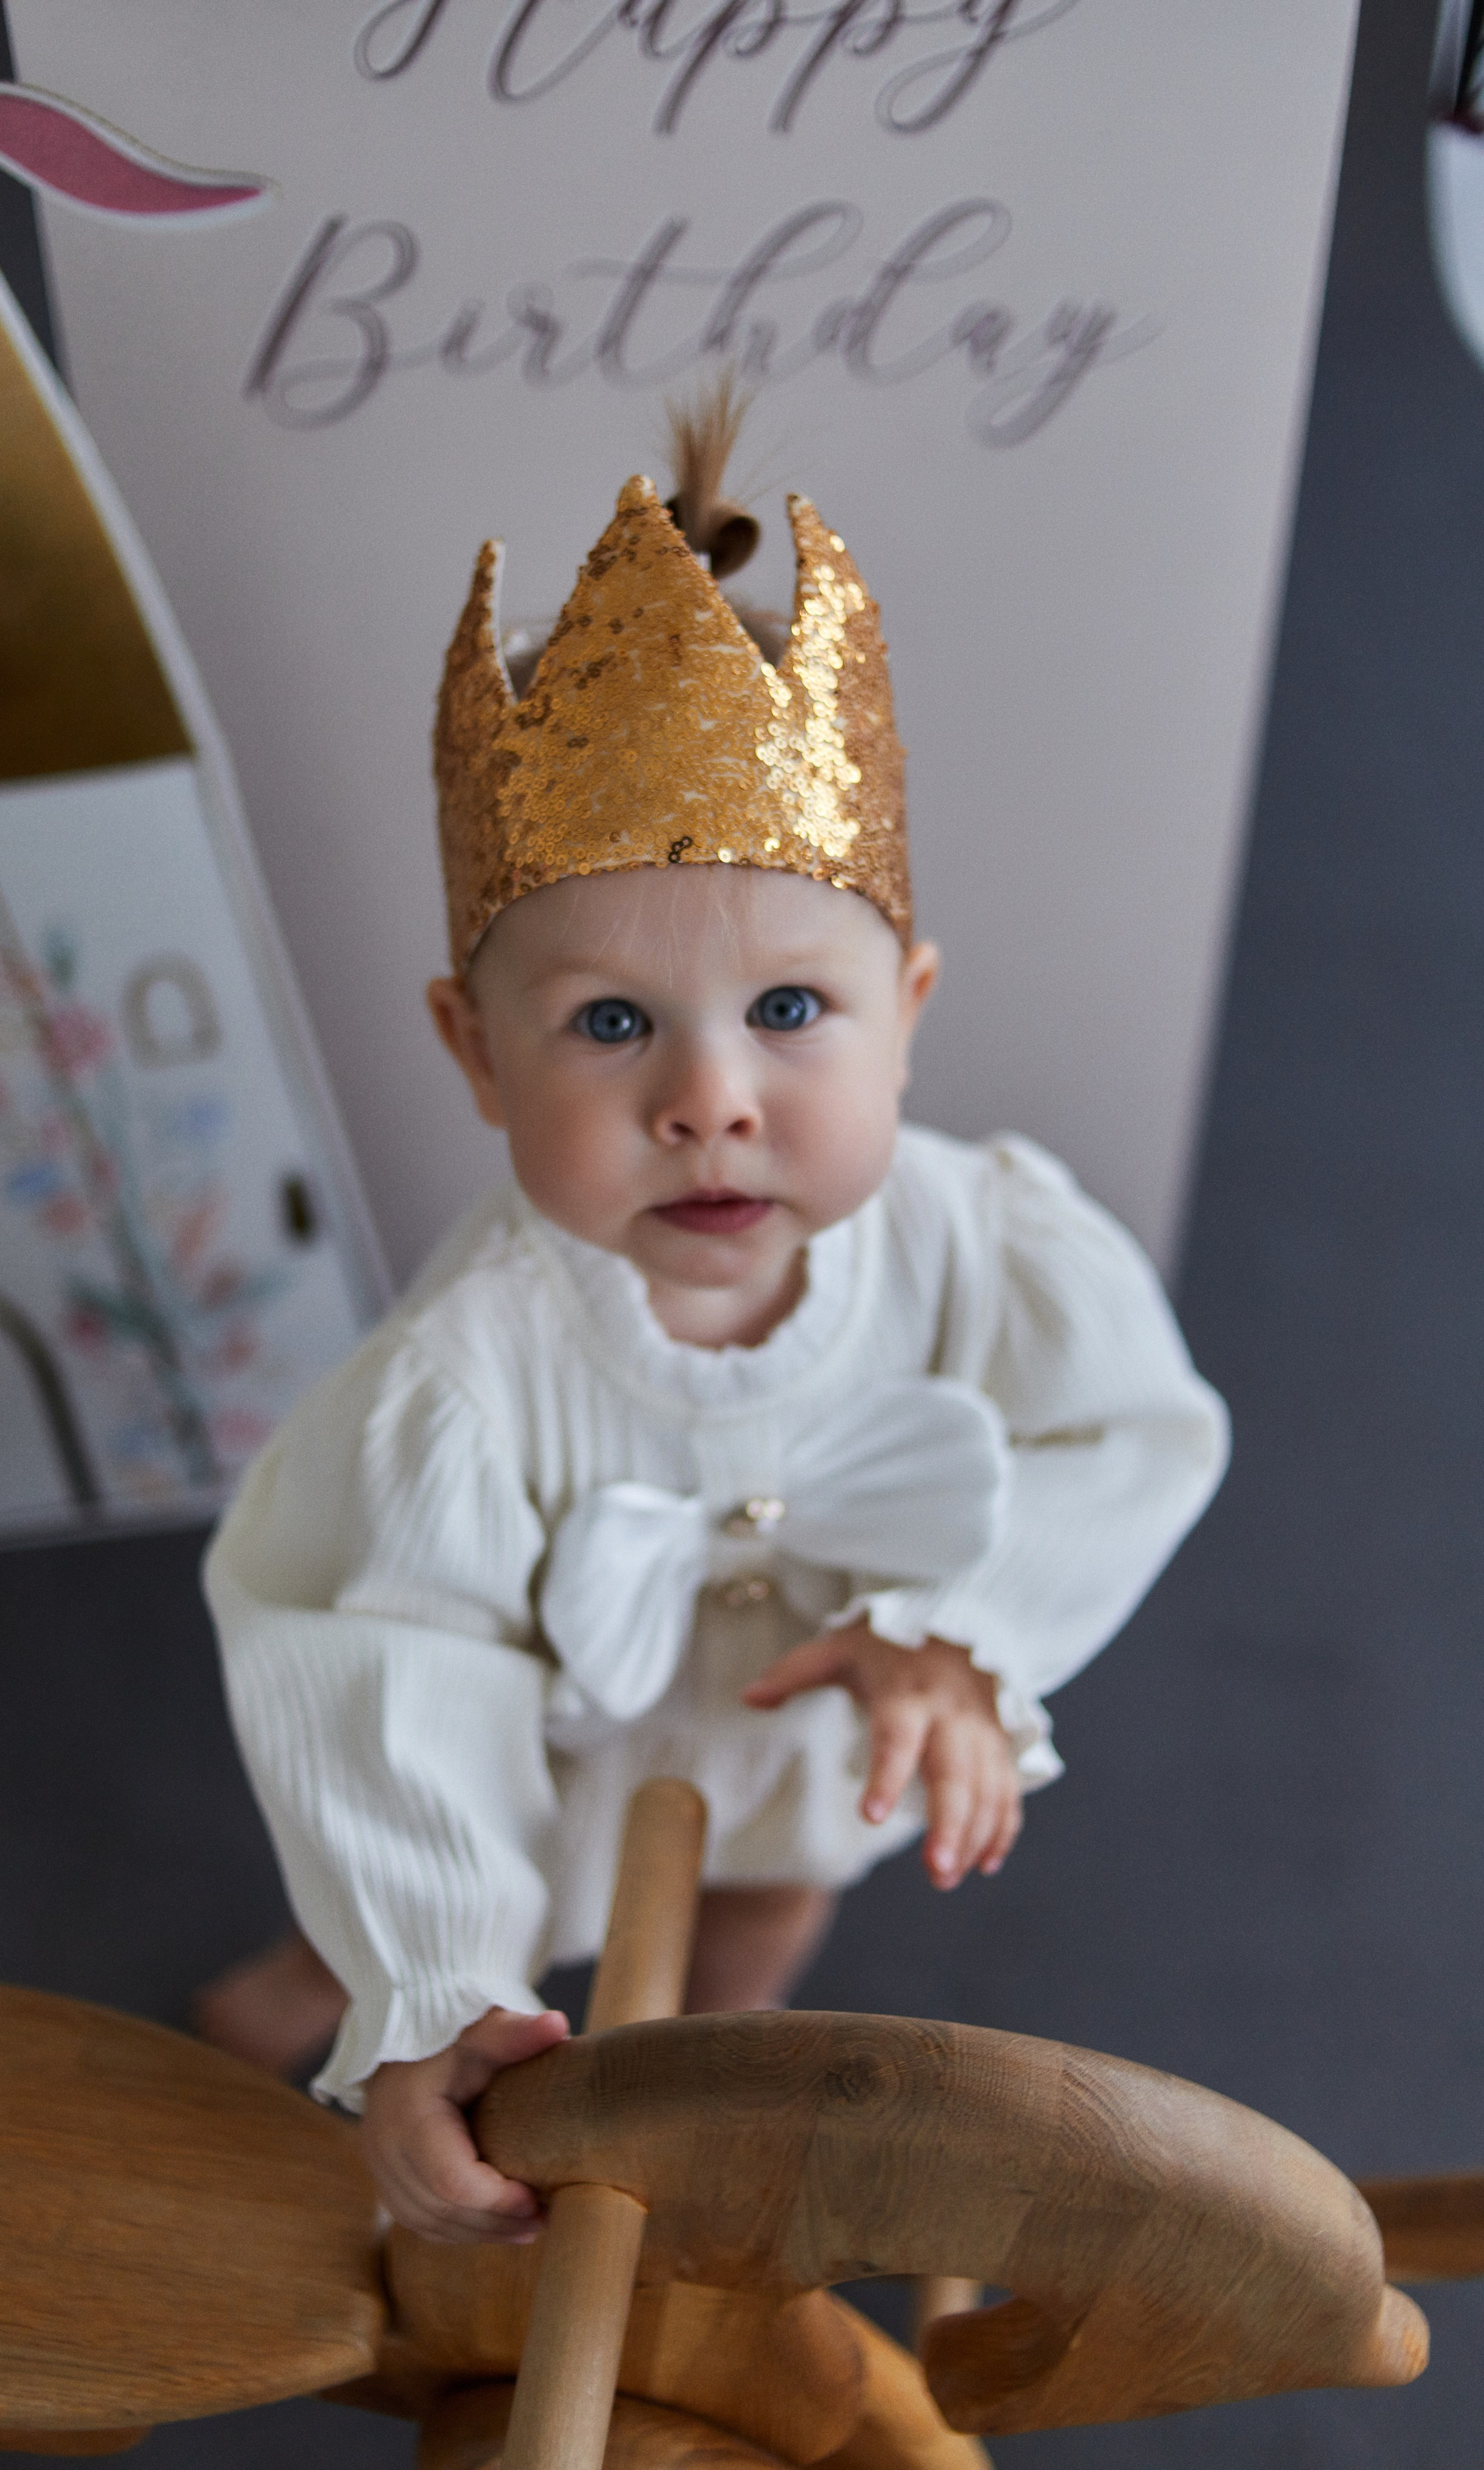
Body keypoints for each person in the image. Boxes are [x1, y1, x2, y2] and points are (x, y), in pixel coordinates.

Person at [200, 453, 1229, 2249]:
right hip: (551, 1771)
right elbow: (380, 1665)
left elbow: (1128, 1438)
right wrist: (434, 1980)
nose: (707, 1104)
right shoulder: (463, 1377)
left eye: (788, 1013)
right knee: (392, 1917)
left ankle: (711, 2063)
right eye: (610, 1024)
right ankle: (310, 2017)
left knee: (770, 1920)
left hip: (819, 1742)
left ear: (903, 1015)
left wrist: (957, 1635)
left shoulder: (988, 1243)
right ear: (473, 1054)